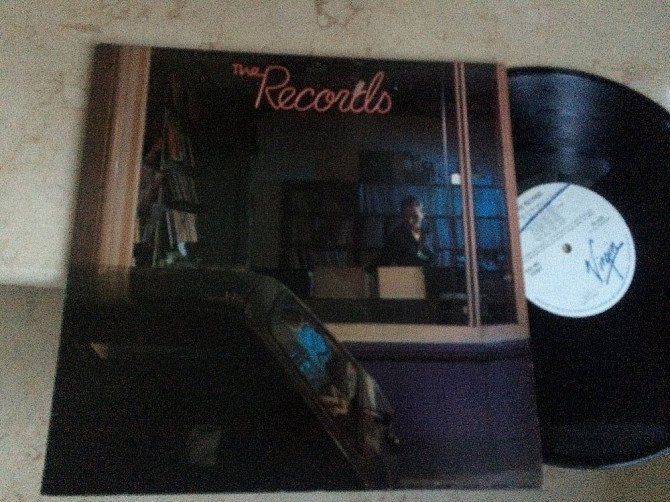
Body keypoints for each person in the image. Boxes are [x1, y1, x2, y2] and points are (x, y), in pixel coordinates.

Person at [380, 196, 434, 266]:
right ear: (402, 216)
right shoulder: (395, 237)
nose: (410, 221)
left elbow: (430, 258)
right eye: (406, 216)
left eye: (415, 216)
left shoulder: (427, 234)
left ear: (423, 215)